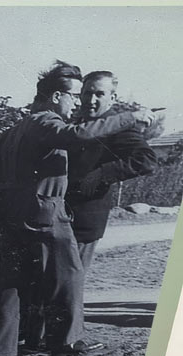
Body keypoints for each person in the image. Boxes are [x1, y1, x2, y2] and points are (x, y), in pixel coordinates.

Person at [0, 61, 157, 356]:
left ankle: (0, 349)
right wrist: (132, 116)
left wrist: (3, 193)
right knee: (69, 275)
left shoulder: (15, 129)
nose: (80, 102)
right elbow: (79, 135)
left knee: (13, 282)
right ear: (57, 95)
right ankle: (66, 344)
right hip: (48, 211)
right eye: (76, 95)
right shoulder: (48, 122)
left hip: (15, 214)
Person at [67, 71, 157, 271]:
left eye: (99, 94)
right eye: (87, 93)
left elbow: (147, 160)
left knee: (68, 288)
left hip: (84, 219)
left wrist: (102, 174)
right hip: (61, 218)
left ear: (112, 98)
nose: (91, 100)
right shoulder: (76, 124)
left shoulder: (118, 127)